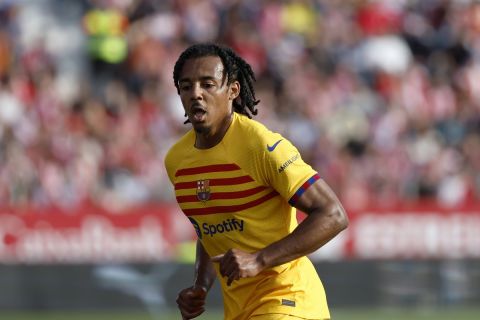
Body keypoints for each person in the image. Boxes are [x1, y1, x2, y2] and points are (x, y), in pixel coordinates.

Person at [164, 43, 348, 320]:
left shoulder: (261, 146)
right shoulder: (177, 161)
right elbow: (209, 229)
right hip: (240, 310)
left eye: (208, 84)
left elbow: (333, 214)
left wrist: (259, 259)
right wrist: (201, 285)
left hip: (288, 300)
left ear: (233, 91)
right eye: (186, 86)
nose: (196, 94)